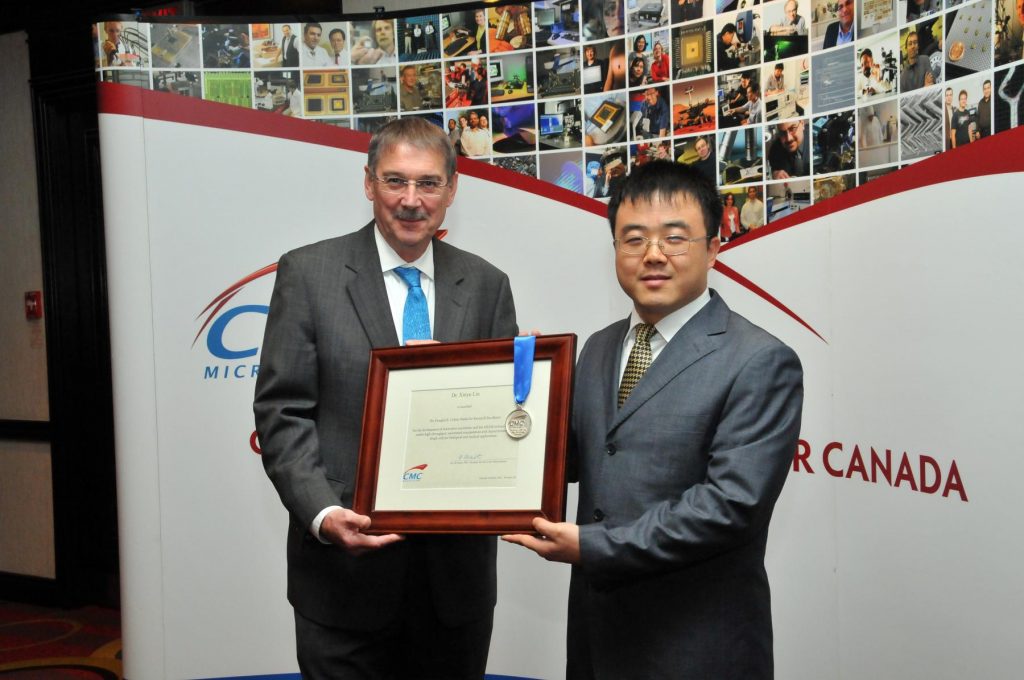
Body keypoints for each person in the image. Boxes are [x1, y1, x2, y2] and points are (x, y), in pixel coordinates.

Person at [503, 160, 803, 680]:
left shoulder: (759, 360)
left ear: (714, 247)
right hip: (598, 640)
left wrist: (594, 547)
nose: (654, 255)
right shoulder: (598, 347)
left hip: (697, 645)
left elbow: (730, 507)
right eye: (633, 239)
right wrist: (504, 395)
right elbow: (568, 459)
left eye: (676, 238)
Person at [254, 118, 517, 679]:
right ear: (369, 183)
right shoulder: (308, 273)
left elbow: (506, 411)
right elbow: (283, 411)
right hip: (342, 582)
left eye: (428, 184)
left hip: (455, 587)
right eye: (395, 181)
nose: (411, 200)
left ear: (451, 190)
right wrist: (323, 514)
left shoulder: (487, 284)